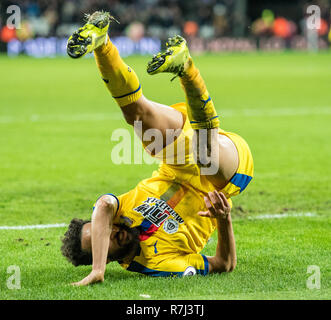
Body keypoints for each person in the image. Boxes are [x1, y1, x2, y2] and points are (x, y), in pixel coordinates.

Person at [61, 11, 254, 286]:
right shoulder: (156, 263)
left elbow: (104, 205)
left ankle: (103, 43)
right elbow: (224, 264)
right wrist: (223, 219)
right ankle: (190, 74)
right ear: (104, 255)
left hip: (176, 163)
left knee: (136, 114)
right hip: (225, 177)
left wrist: (98, 271)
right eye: (101, 243)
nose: (112, 231)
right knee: (205, 157)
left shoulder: (120, 211)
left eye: (104, 230)